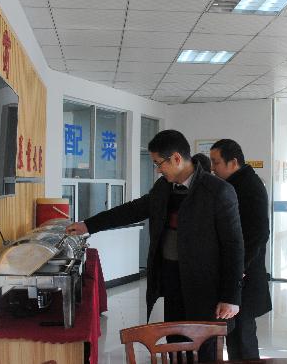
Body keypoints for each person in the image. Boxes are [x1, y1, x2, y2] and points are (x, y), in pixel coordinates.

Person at [66, 130, 244, 362]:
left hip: (205, 287)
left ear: (177, 158)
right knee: (175, 341)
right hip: (173, 281)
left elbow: (234, 246)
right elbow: (131, 210)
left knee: (204, 348)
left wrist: (231, 296)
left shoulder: (217, 191)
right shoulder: (164, 188)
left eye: (159, 163)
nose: (158, 169)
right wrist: (88, 225)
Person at [210, 139, 272, 360]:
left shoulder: (249, 186)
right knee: (234, 336)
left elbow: (259, 233)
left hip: (246, 275)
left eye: (216, 162)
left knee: (244, 337)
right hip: (238, 274)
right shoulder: (234, 184)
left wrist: (240, 267)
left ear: (233, 162)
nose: (212, 168)